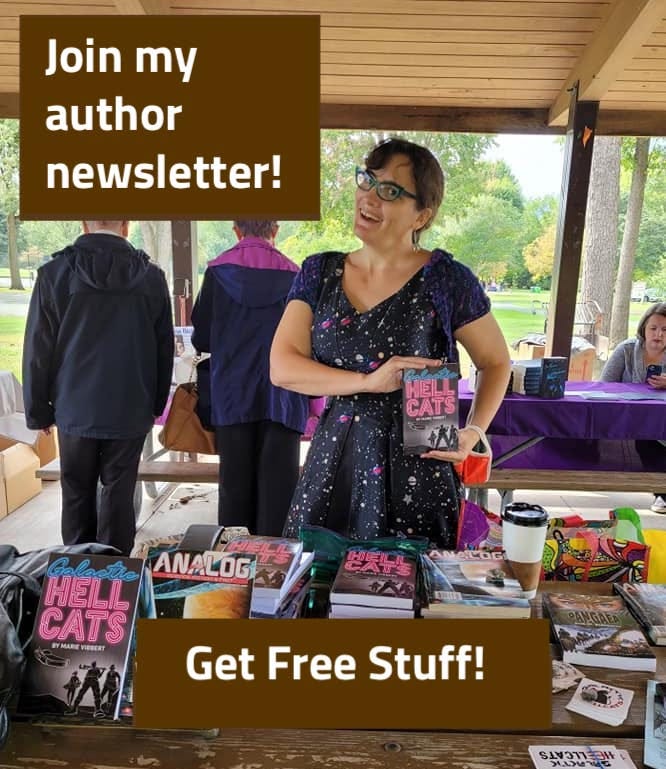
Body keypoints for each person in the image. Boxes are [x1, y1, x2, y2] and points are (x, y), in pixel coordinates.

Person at [271, 137, 511, 547]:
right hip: (335, 463)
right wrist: (367, 381)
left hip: (422, 462)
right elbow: (283, 367)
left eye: (391, 191)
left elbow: (496, 362)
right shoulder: (320, 271)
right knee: (325, 590)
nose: (369, 197)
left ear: (422, 216)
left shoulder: (446, 279)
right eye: (367, 181)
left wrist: (472, 433)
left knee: (413, 594)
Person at [22, 220, 174, 555]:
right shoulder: (151, 277)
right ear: (125, 225)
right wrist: (156, 402)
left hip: (75, 405)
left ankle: (76, 574)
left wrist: (38, 411)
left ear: (84, 223)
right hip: (131, 404)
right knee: (120, 491)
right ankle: (116, 574)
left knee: (76, 490)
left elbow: (38, 349)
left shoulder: (53, 274)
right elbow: (164, 349)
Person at [191, 220, 309, 536]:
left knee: (234, 488)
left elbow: (202, 337)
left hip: (232, 394)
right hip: (284, 395)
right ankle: (274, 571)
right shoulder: (298, 275)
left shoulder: (217, 273)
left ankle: (234, 567)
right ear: (276, 229)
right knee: (279, 492)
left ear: (236, 230)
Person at [600, 302, 666, 513]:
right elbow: (604, 385)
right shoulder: (626, 350)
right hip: (630, 422)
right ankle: (662, 493)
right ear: (644, 329)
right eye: (653, 328)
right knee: (648, 442)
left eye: (665, 330)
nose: (658, 334)